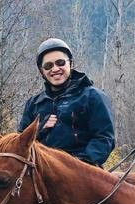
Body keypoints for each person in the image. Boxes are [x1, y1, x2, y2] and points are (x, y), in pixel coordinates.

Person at [18, 38, 116, 166]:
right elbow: (20, 143)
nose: (55, 69)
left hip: (83, 171)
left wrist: (80, 164)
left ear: (71, 64)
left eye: (60, 62)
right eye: (48, 66)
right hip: (40, 173)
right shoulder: (34, 104)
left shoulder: (92, 97)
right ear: (42, 71)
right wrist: (40, 129)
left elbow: (104, 138)